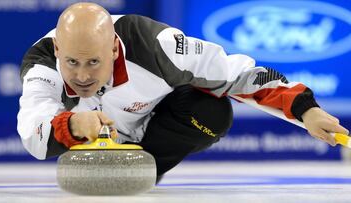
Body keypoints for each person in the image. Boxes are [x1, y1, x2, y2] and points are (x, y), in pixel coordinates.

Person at [18, 2, 349, 179]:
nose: (82, 76)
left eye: (93, 62)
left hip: (155, 122)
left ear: (115, 50)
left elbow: (239, 74)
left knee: (212, 112)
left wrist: (306, 109)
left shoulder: (157, 45)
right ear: (58, 50)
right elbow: (34, 133)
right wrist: (74, 126)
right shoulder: (42, 64)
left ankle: (145, 167)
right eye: (72, 62)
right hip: (88, 142)